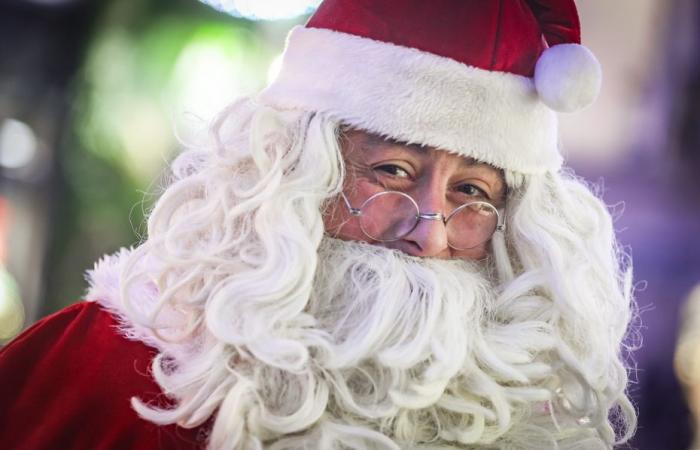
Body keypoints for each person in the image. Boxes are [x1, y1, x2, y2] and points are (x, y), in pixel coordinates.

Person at [0, 0, 638, 449]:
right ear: (291, 175)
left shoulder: (530, 424)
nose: (431, 233)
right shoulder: (100, 373)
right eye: (390, 170)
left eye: (471, 191)